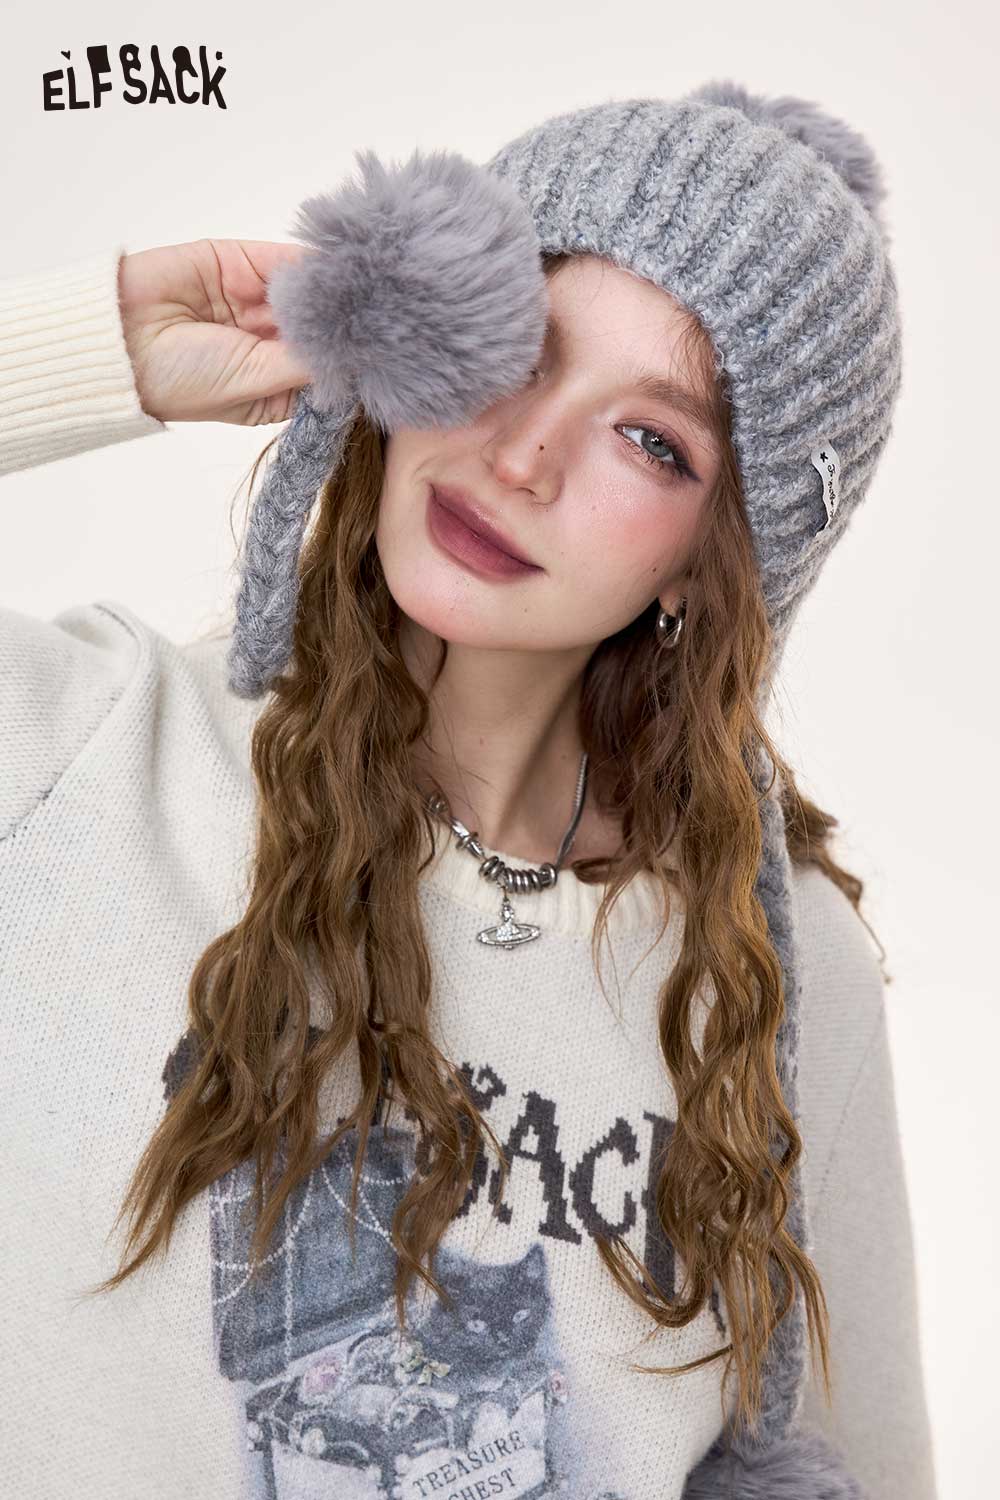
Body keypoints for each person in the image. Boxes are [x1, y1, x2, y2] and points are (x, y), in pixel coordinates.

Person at [0, 82, 937, 1500]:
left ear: (714, 559)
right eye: (520, 344)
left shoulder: (778, 969)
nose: (522, 456)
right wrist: (103, 347)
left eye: (653, 440)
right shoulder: (77, 752)